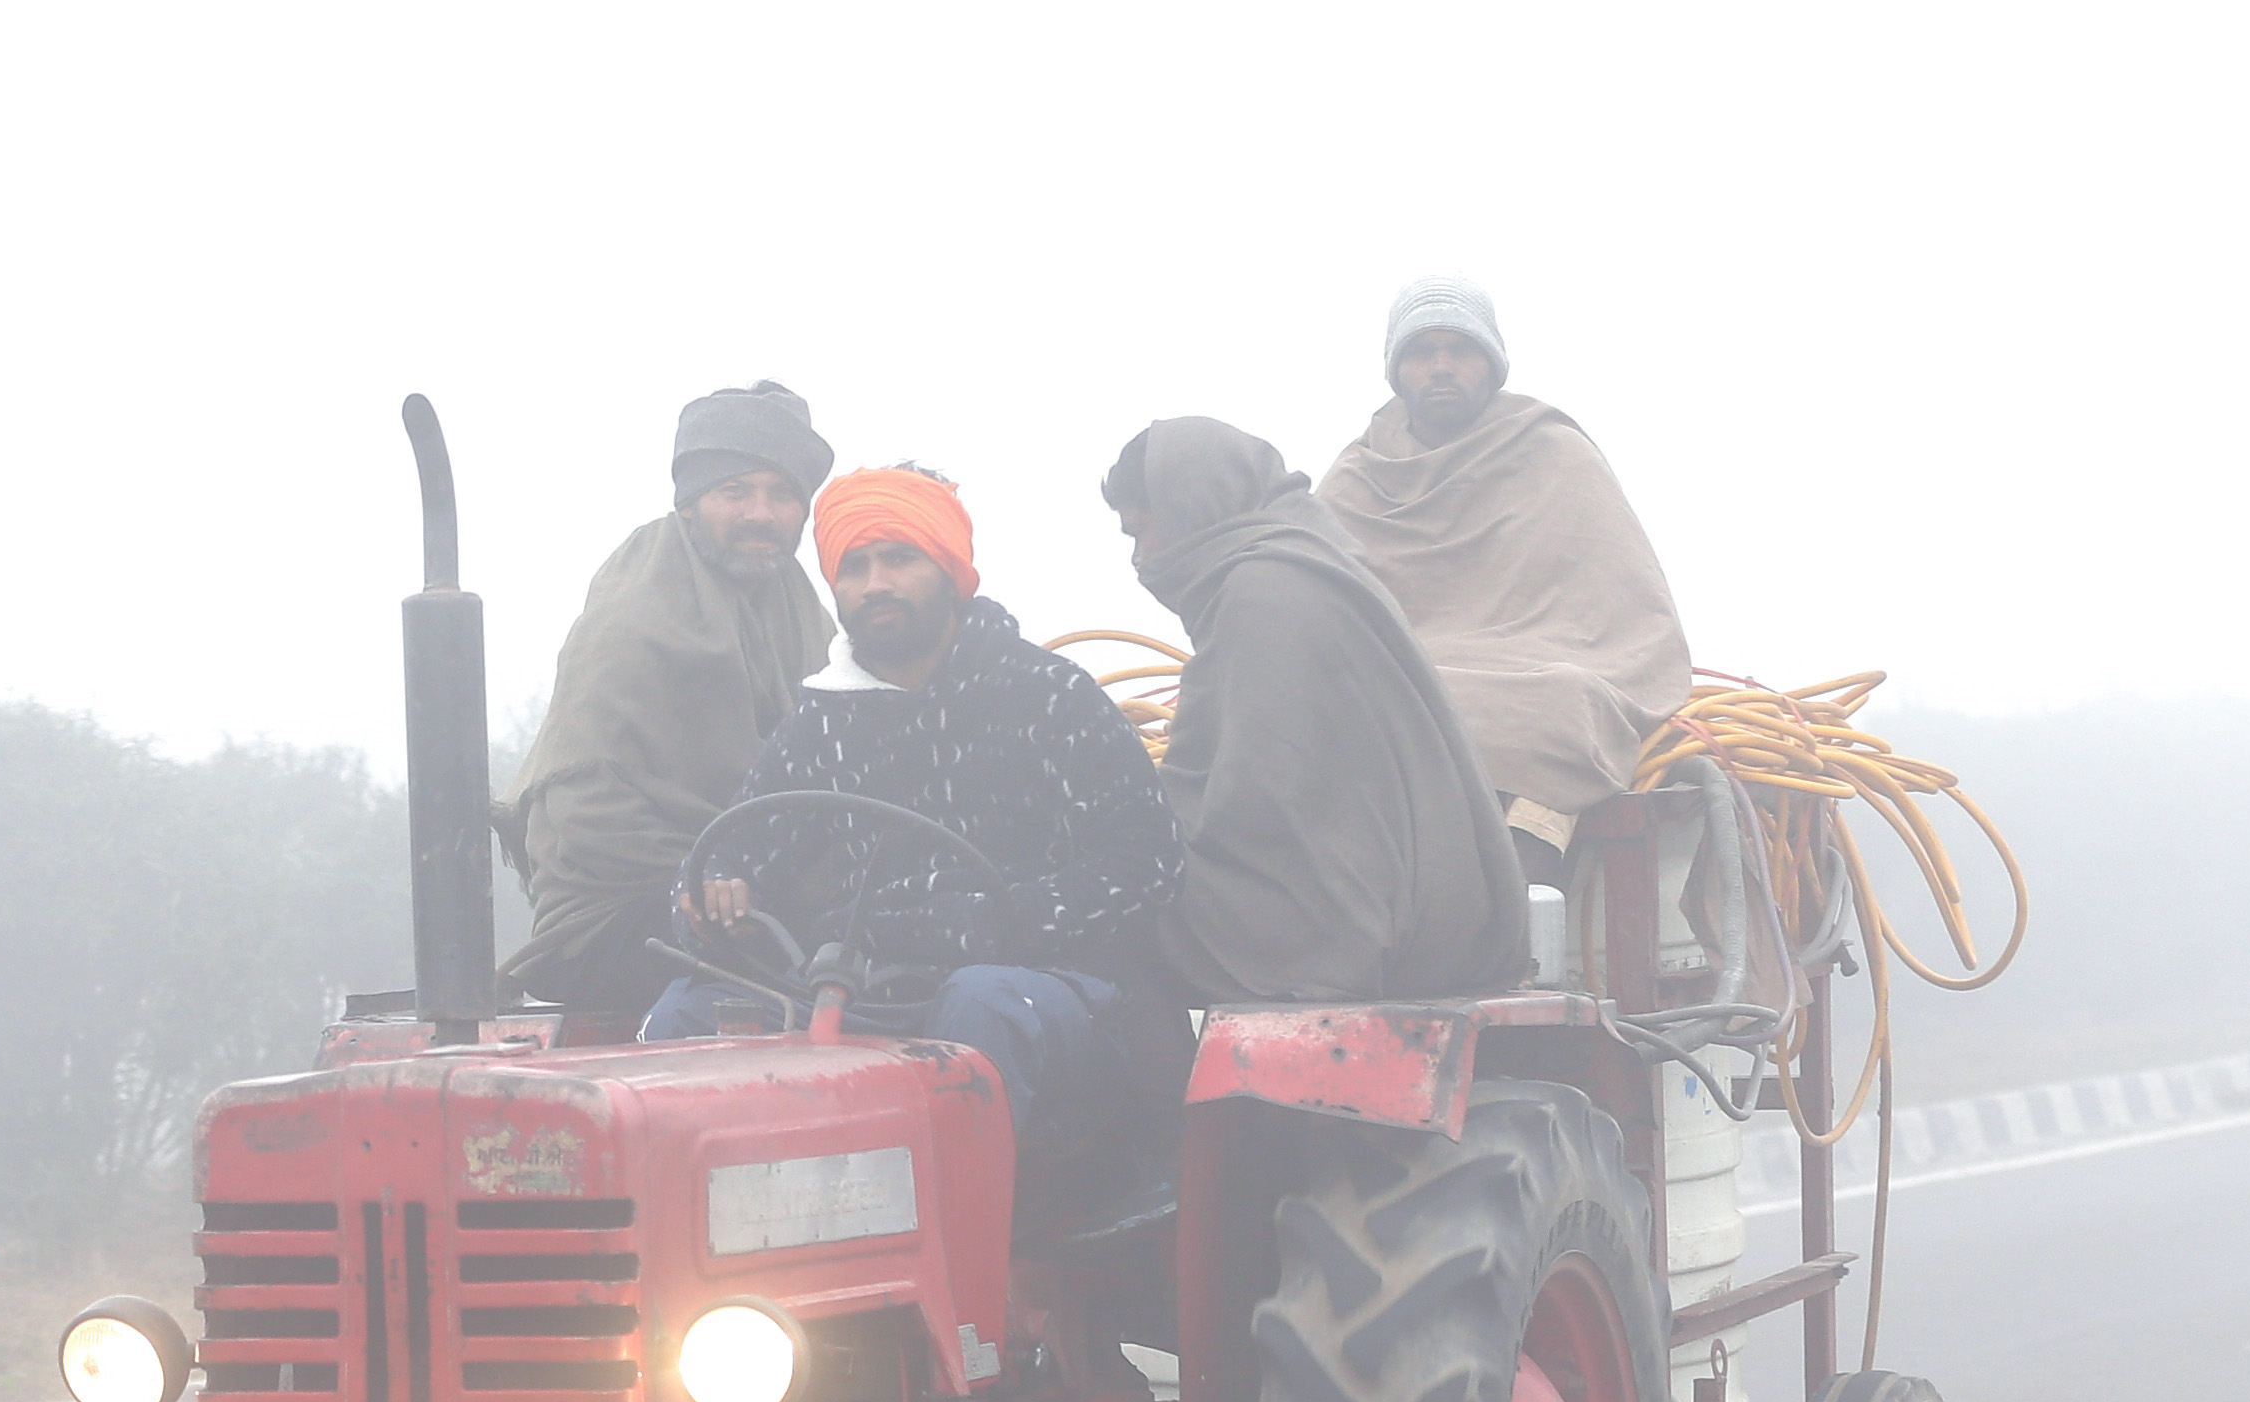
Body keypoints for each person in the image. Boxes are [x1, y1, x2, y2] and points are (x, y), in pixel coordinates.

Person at [645, 464, 1175, 1156]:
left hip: (1052, 994)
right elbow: (738, 852)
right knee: (687, 1013)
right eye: (854, 565)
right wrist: (708, 905)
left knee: (977, 1005)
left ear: (950, 570)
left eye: (899, 558)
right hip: (878, 994)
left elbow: (1147, 862)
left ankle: (961, 1248)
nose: (876, 584)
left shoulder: (1047, 694)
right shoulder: (824, 719)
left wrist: (985, 925)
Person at [1105, 417, 1533, 1004]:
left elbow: (1251, 809)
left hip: (1332, 929)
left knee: (1109, 907)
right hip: (1424, 913)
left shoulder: (1260, 596)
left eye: (1140, 532)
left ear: (1190, 508)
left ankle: (1144, 1096)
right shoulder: (1313, 565)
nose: (1139, 558)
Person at [1314, 278, 1690, 881]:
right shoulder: (1357, 477)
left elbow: (1627, 618)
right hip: (1398, 676)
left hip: (1534, 674)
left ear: (1490, 362)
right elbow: (1318, 614)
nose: (1441, 367)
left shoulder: (1553, 452)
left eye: (1459, 349)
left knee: (1567, 705)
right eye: (1422, 352)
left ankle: (1520, 901)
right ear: (1396, 370)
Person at [497, 379, 841, 1015]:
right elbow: (590, 818)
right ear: (689, 502)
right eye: (734, 491)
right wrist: (713, 882)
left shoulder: (799, 609)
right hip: (617, 914)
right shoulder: (637, 612)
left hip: (757, 890)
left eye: (782, 494)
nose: (760, 514)